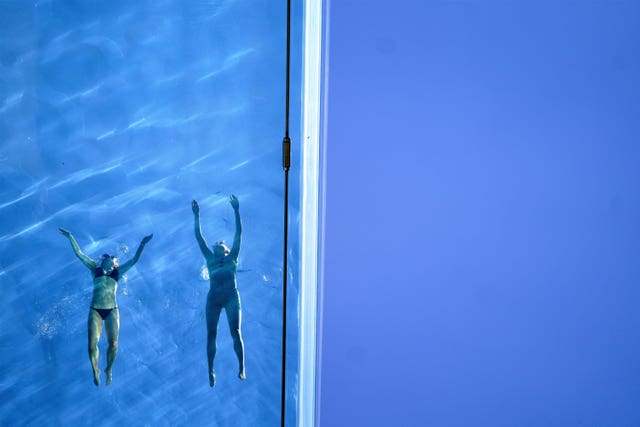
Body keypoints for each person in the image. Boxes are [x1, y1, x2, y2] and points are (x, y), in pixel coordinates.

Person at [58, 228, 153, 386]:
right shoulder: (94, 269)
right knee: (91, 344)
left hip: (111, 311)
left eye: (113, 260)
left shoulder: (117, 272)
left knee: (114, 343)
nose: (109, 260)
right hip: (95, 310)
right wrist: (70, 236)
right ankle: (95, 369)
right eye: (108, 259)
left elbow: (135, 260)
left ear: (114, 264)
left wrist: (142, 244)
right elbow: (79, 254)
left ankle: (109, 368)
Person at [192, 195, 245, 387]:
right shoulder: (210, 259)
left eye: (220, 244)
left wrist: (236, 210)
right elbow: (199, 238)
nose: (216, 244)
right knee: (211, 334)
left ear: (227, 250)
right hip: (213, 298)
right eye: (215, 245)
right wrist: (196, 215)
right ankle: (210, 370)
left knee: (236, 331)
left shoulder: (233, 258)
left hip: (231, 296)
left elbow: (239, 234)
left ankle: (241, 367)